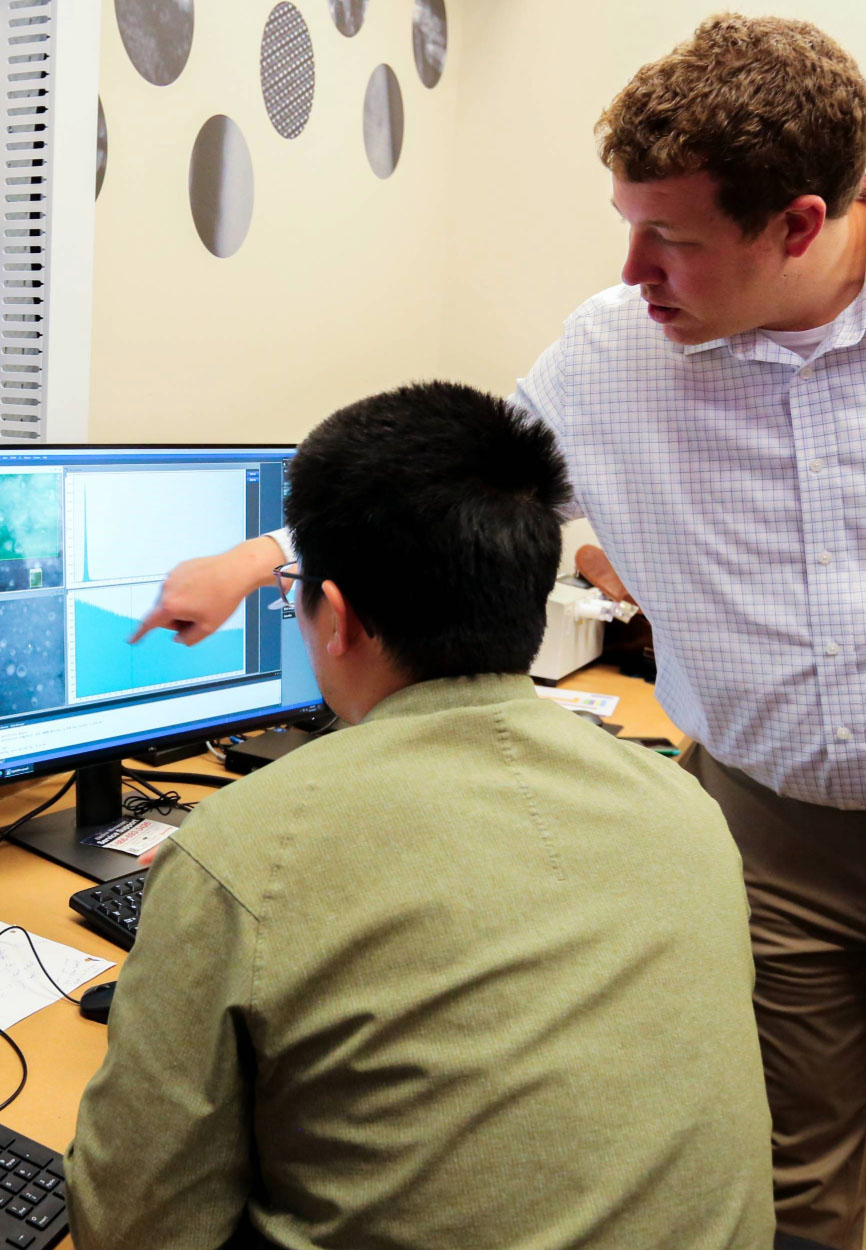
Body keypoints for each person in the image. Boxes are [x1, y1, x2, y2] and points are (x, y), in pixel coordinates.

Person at [131, 17, 866, 1248]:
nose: (632, 270)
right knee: (801, 1183)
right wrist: (260, 557)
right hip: (768, 821)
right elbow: (457, 489)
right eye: (625, 224)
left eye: (670, 241)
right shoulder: (614, 350)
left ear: (796, 223)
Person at [66, 382, 774, 1250]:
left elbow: (134, 1223)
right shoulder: (684, 807)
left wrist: (206, 890)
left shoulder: (243, 854)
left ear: (340, 620)